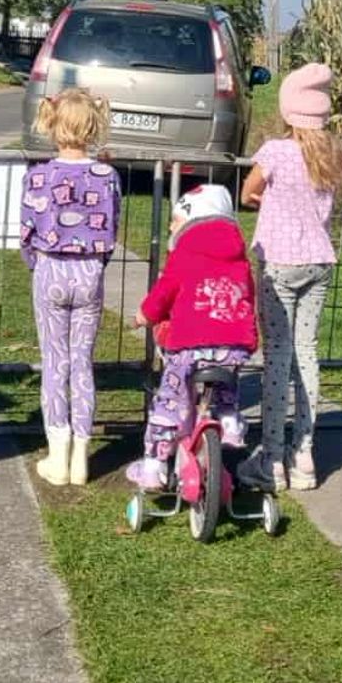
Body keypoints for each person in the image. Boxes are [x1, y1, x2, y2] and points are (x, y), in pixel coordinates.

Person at [237, 63, 342, 493]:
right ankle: (304, 453)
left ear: (289, 111)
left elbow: (248, 192)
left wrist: (270, 201)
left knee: (278, 358)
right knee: (307, 352)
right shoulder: (334, 153)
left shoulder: (275, 152)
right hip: (319, 261)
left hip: (280, 262)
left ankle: (270, 456)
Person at [19, 88, 120, 487]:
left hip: (50, 270)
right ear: (93, 126)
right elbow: (111, 229)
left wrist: (37, 262)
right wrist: (96, 263)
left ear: (52, 124)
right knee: (82, 363)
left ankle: (57, 455)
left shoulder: (39, 176)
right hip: (89, 272)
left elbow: (27, 229)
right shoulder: (107, 176)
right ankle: (81, 455)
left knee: (54, 363)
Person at [127, 184, 258, 490]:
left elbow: (164, 292)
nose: (171, 225)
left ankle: (154, 466)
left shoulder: (183, 253)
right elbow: (247, 297)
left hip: (189, 346)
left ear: (190, 218)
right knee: (226, 387)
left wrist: (143, 316)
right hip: (232, 347)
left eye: (174, 219)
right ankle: (229, 424)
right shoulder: (239, 257)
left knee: (169, 403)